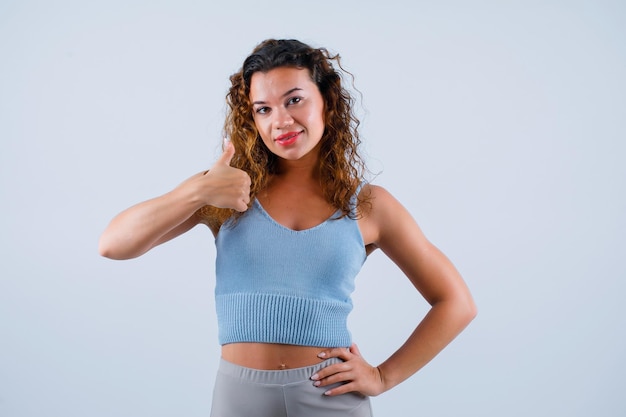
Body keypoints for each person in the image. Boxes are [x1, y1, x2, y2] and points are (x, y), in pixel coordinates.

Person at [99, 38, 477, 417]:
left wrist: (382, 377)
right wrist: (195, 191)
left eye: (294, 100)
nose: (280, 120)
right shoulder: (224, 190)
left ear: (327, 100)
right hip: (239, 400)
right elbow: (113, 244)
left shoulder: (368, 204)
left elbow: (456, 302)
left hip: (331, 400)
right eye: (263, 109)